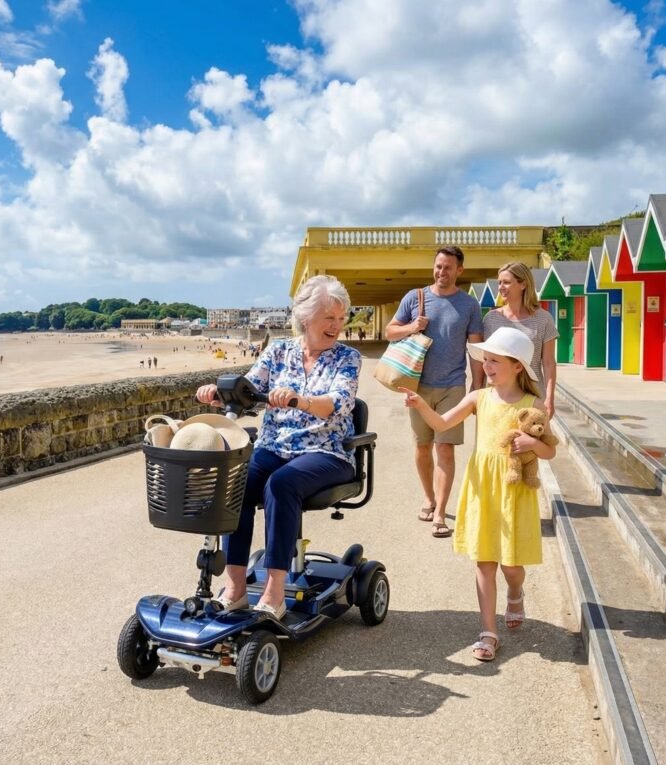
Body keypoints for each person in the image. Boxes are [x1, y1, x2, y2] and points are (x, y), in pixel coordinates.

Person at [195, 275, 361, 620]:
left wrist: (300, 400)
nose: (336, 325)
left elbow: (339, 402)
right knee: (236, 484)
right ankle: (235, 589)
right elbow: (249, 390)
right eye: (329, 317)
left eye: (341, 318)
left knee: (281, 483)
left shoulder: (348, 357)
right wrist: (218, 394)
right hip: (275, 446)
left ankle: (274, 592)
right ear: (306, 318)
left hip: (327, 451)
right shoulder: (279, 351)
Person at [400, 327, 557, 661]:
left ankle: (515, 592)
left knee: (511, 565)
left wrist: (533, 443)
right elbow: (442, 423)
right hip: (483, 487)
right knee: (485, 561)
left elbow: (550, 451)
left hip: (515, 491)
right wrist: (420, 404)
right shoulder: (478, 398)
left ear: (517, 366)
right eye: (485, 360)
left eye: (494, 360)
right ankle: (488, 632)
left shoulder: (533, 404)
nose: (486, 366)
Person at [385, 246, 483, 538]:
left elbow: (475, 348)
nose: (442, 272)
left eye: (448, 267)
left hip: (453, 386)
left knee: (445, 448)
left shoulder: (469, 305)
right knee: (422, 446)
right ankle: (428, 497)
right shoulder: (415, 297)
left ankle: (440, 511)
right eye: (438, 266)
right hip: (417, 385)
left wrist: (477, 386)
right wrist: (412, 327)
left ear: (459, 270)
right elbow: (390, 331)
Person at [482, 262, 559, 419]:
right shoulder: (491, 319)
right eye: (499, 283)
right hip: (498, 397)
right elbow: (484, 360)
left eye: (506, 282)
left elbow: (549, 362)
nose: (501, 287)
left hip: (533, 395)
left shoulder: (544, 319)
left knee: (532, 436)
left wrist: (550, 398)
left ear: (523, 284)